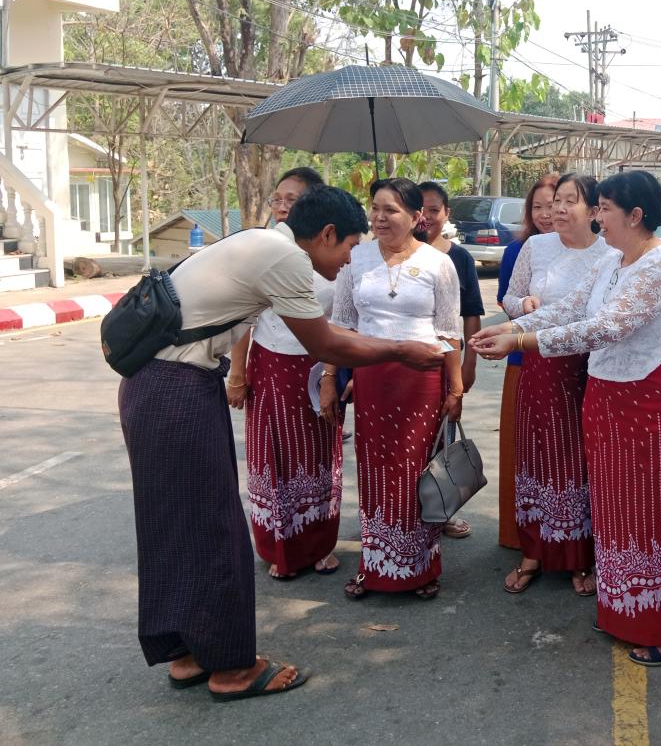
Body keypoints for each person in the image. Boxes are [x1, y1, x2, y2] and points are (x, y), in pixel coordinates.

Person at [117, 186, 442, 700]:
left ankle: (186, 652)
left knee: (174, 524)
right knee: (214, 525)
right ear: (327, 234)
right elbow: (325, 343)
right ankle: (231, 669)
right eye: (349, 246)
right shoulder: (285, 257)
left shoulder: (260, 240)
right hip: (177, 392)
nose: (349, 260)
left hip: (155, 386)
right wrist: (403, 350)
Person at [473, 170, 661, 667]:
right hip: (609, 395)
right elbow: (572, 308)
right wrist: (510, 328)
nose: (597, 217)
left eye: (604, 209)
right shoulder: (613, 260)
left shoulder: (659, 266)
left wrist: (520, 340)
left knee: (651, 508)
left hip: (653, 401)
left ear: (635, 216)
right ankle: (624, 608)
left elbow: (605, 328)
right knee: (615, 506)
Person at [329, 178, 462, 601]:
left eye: (391, 210)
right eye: (375, 208)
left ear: (416, 216)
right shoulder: (355, 258)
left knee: (415, 471)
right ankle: (375, 565)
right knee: (375, 470)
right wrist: (330, 377)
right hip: (371, 378)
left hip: (421, 380)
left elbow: (449, 331)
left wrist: (456, 388)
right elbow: (342, 326)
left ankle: (421, 567)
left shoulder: (438, 263)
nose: (380, 217)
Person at [224, 167, 344, 582]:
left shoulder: (336, 251)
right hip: (271, 364)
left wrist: (331, 374)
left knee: (318, 454)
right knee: (273, 454)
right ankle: (279, 546)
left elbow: (345, 319)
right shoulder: (263, 250)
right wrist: (237, 374)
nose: (281, 206)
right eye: (277, 198)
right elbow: (243, 317)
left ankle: (319, 543)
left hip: (318, 366)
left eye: (292, 199)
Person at [500, 172, 614, 596]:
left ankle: (579, 554)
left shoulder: (610, 255)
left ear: (595, 210)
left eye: (570, 201)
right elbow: (510, 297)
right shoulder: (536, 247)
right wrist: (523, 305)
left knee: (578, 458)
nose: (558, 210)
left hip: (586, 367)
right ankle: (534, 550)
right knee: (537, 453)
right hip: (538, 365)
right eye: (555, 201)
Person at [496, 174, 559, 549]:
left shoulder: (593, 251)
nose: (546, 214)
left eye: (553, 205)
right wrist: (522, 306)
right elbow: (505, 299)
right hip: (522, 358)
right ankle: (519, 533)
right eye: (537, 207)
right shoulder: (518, 250)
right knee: (521, 448)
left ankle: (565, 538)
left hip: (570, 362)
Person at [419, 180, 485, 541]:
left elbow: (471, 314)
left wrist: (469, 363)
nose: (426, 217)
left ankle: (441, 510)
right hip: (402, 367)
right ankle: (405, 513)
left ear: (447, 214)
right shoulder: (392, 253)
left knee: (441, 439)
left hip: (446, 363)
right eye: (420, 209)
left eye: (434, 210)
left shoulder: (459, 258)